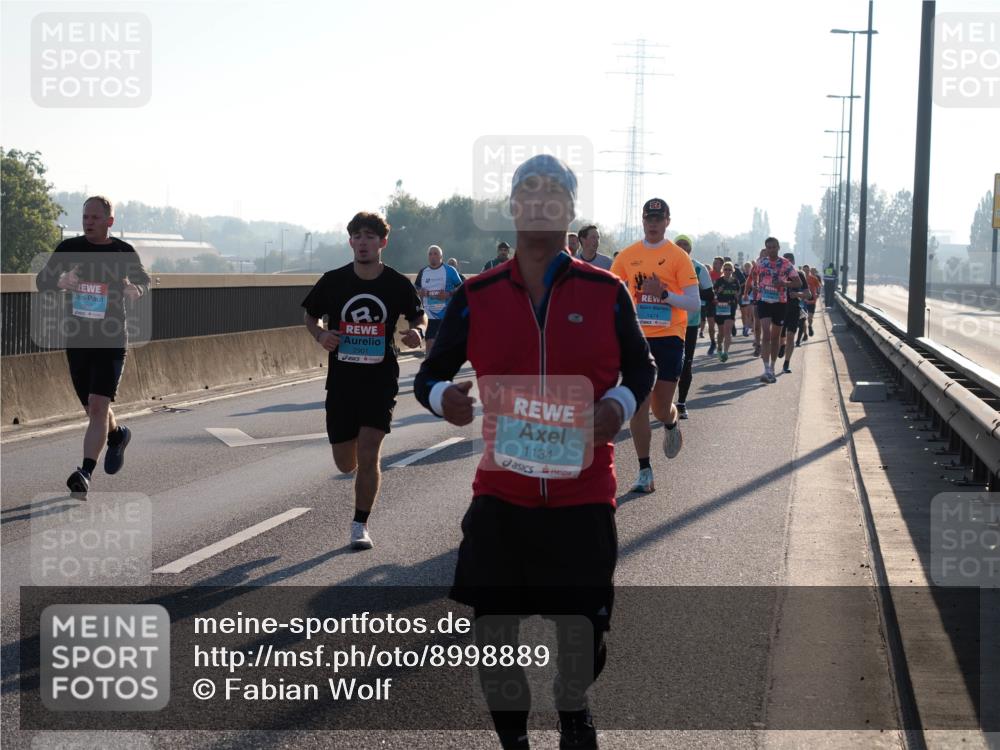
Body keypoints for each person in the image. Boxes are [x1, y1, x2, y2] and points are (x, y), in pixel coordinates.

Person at [414, 154, 655, 750]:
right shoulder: (478, 294)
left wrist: (618, 406)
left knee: (582, 641)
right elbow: (429, 374)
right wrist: (444, 395)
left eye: (555, 193)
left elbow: (643, 366)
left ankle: (573, 705)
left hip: (582, 494)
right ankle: (514, 742)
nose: (541, 202)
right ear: (514, 207)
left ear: (572, 211)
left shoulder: (606, 291)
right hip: (503, 494)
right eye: (529, 192)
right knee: (493, 636)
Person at [301, 211, 426, 550]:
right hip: (342, 380)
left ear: (383, 242)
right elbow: (310, 316)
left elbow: (419, 314)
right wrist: (321, 335)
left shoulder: (397, 283)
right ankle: (355, 461)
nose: (363, 242)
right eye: (357, 236)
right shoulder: (334, 280)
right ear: (351, 242)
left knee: (370, 452)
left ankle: (360, 524)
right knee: (346, 462)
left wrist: (417, 331)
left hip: (380, 378)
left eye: (370, 236)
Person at [35, 195, 150, 498]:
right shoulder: (69, 249)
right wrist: (61, 280)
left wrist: (135, 288)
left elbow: (143, 280)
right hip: (79, 340)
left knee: (99, 406)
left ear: (109, 221)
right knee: (93, 409)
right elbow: (41, 281)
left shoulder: (123, 252)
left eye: (95, 218)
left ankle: (84, 472)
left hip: (112, 340)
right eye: (86, 217)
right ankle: (117, 435)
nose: (88, 222)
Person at [611, 198, 699, 494]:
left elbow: (693, 303)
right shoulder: (627, 256)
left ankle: (671, 422)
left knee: (660, 407)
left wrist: (663, 294)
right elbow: (610, 293)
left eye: (658, 219)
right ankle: (644, 470)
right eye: (649, 218)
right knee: (639, 405)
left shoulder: (677, 257)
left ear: (667, 222)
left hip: (670, 337)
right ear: (643, 220)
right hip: (638, 338)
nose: (653, 223)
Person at [748, 238, 801, 383]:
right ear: (766, 248)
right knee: (766, 334)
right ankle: (765, 370)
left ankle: (772, 367)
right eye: (768, 247)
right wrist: (756, 286)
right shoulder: (761, 263)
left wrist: (784, 283)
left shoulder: (785, 264)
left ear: (778, 247)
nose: (771, 250)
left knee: (775, 337)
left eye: (773, 247)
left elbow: (798, 282)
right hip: (764, 301)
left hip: (780, 302)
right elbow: (753, 275)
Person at [675, 235, 714, 419]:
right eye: (679, 244)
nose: (682, 247)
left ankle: (681, 403)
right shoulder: (664, 262)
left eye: (685, 244)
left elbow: (709, 293)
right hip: (667, 323)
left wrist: (692, 293)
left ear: (690, 249)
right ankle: (663, 401)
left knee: (686, 363)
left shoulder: (698, 268)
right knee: (664, 363)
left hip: (690, 323)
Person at [415, 244, 463, 354]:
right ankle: (429, 370)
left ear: (441, 257)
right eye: (430, 254)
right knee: (430, 346)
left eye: (435, 254)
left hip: (446, 315)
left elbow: (461, 287)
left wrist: (449, 294)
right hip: (429, 316)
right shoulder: (423, 272)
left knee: (445, 348)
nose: (433, 256)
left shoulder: (450, 270)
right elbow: (415, 289)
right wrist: (420, 292)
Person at [777, 252, 809, 373]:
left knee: (791, 336)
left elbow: (808, 294)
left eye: (790, 262)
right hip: (779, 309)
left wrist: (797, 294)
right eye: (786, 261)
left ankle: (786, 363)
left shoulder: (800, 275)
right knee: (779, 335)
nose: (788, 264)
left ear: (794, 263)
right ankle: (782, 345)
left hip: (793, 310)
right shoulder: (778, 274)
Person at [713, 261, 742, 362]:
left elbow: (739, 291)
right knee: (721, 332)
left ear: (732, 270)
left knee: (727, 331)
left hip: (731, 308)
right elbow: (714, 293)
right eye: (726, 269)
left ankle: (726, 352)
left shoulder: (735, 281)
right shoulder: (719, 281)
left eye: (730, 269)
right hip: (720, 308)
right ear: (723, 270)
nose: (727, 271)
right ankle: (719, 346)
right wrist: (718, 291)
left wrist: (737, 295)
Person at [702, 256, 724, 355]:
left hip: (722, 304)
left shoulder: (725, 276)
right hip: (710, 302)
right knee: (711, 325)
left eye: (716, 263)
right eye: (714, 263)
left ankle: (719, 344)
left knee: (721, 327)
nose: (714, 265)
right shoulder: (708, 274)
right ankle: (712, 343)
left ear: (721, 265)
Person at [804, 265, 822, 337]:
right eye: (805, 270)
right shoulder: (801, 278)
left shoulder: (814, 278)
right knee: (802, 318)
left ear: (809, 271)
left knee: (810, 317)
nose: (806, 272)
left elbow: (818, 287)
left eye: (807, 270)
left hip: (811, 299)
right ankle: (804, 333)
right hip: (803, 299)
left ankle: (810, 326)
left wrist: (818, 293)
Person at [739, 261, 755, 337]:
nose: (747, 268)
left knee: (750, 314)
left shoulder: (753, 275)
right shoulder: (742, 276)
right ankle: (745, 327)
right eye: (746, 267)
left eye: (749, 267)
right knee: (745, 314)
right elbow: (740, 285)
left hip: (751, 296)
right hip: (743, 296)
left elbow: (753, 285)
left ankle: (748, 328)